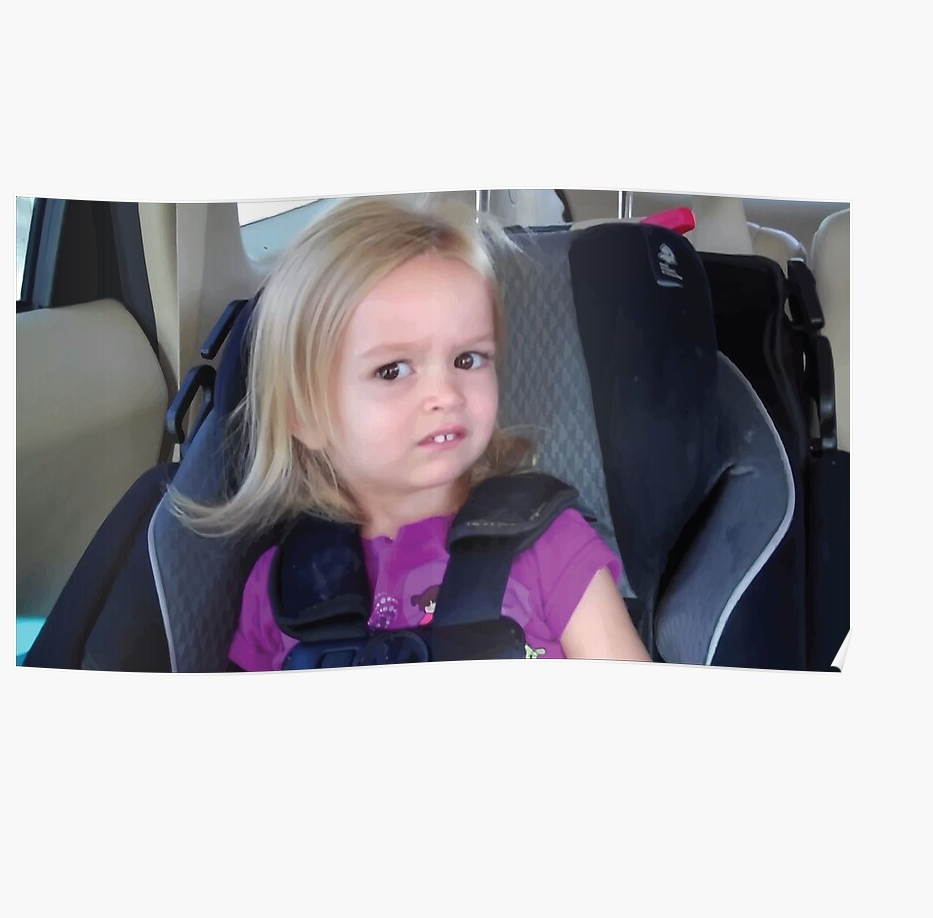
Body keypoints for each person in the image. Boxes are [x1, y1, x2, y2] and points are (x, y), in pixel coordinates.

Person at [171, 195, 651, 670]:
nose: (445, 394)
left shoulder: (552, 545)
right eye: (393, 370)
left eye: (467, 359)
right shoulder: (281, 587)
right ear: (308, 417)